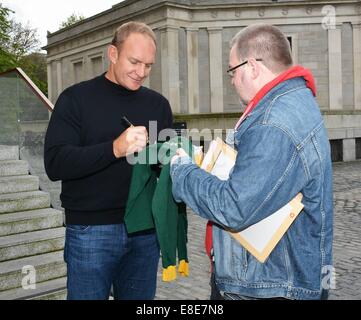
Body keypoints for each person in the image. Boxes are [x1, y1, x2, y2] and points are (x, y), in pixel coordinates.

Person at [170, 24, 333, 300]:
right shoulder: (293, 98)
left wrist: (183, 171)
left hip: (268, 287)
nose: (232, 80)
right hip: (276, 279)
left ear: (253, 67)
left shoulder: (273, 122)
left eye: (233, 71)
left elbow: (233, 207)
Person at [44, 21, 173, 300]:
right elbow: (55, 164)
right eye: (134, 62)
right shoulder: (75, 99)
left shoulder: (158, 105)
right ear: (112, 54)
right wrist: (114, 149)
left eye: (148, 65)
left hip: (145, 231)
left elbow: (165, 167)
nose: (141, 72)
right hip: (92, 231)